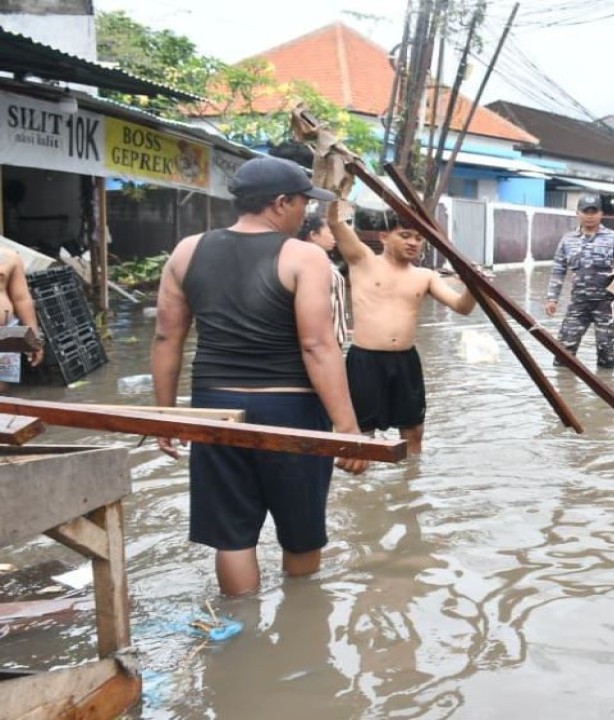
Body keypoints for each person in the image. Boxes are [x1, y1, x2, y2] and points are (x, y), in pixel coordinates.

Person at [150, 155, 369, 596]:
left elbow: (164, 339)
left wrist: (165, 416)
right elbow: (318, 346)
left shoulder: (187, 250)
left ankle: (241, 632)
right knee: (302, 528)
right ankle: (302, 629)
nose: (305, 213)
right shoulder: (303, 256)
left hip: (213, 409)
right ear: (281, 203)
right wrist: (348, 428)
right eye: (303, 204)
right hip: (289, 407)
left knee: (232, 535)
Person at [326, 201, 476, 454]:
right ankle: (362, 490)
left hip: (406, 361)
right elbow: (335, 223)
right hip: (365, 361)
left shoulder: (425, 276)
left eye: (419, 238)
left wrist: (473, 286)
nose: (413, 243)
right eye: (405, 235)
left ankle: (409, 488)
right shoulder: (362, 260)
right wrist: (337, 192)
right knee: (361, 436)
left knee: (414, 433)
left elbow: (462, 307)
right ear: (384, 236)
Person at [543, 193, 614, 369]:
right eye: (586, 212)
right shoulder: (568, 240)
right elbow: (558, 270)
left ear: (601, 214)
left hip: (606, 305)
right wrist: (552, 299)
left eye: (594, 212)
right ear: (578, 213)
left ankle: (606, 390)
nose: (590, 216)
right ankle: (564, 389)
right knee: (563, 352)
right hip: (578, 304)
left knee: (606, 352)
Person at [297, 212, 351, 348]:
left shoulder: (324, 260)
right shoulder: (308, 265)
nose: (335, 238)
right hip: (322, 344)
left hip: (334, 341)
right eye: (330, 233)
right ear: (314, 235)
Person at [0, 249, 43, 390]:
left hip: (6, 331)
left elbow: (22, 299)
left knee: (2, 387)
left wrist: (33, 338)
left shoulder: (10, 257)